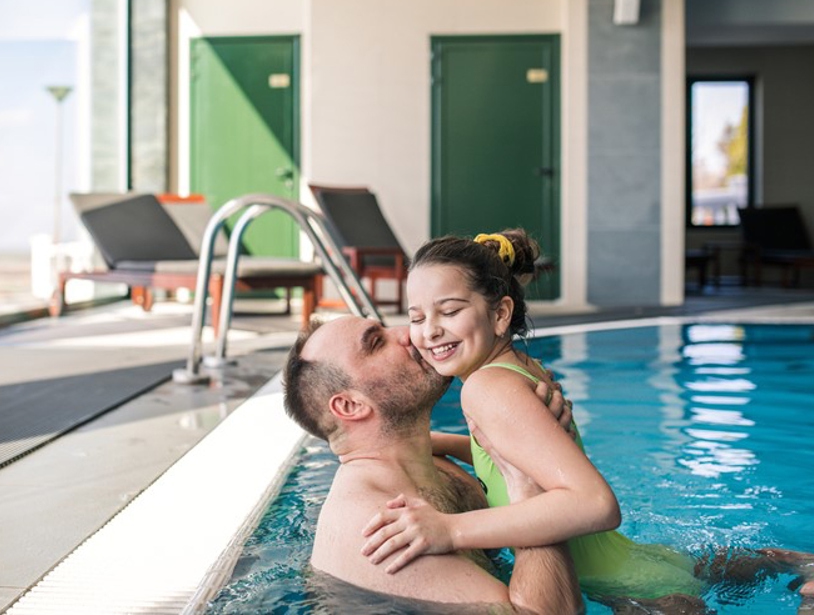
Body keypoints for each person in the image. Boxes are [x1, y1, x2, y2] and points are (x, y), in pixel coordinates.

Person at [361, 229, 814, 612]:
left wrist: (450, 529)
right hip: (638, 562)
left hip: (635, 589)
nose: (429, 331)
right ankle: (800, 567)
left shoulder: (486, 389)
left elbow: (596, 505)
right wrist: (431, 442)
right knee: (757, 564)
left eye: (450, 311)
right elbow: (508, 449)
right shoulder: (517, 370)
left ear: (499, 314)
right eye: (417, 317)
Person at [283, 315, 585, 614]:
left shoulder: (434, 465)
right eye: (377, 343)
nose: (409, 333)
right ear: (351, 406)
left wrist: (533, 435)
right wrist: (530, 480)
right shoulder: (379, 528)